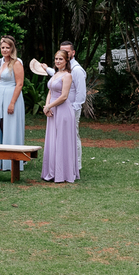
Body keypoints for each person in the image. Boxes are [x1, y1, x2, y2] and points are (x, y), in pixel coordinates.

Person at [0, 35, 26, 172]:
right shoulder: (0, 64)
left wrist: (12, 102)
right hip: (0, 96)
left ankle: (12, 161)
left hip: (11, 96)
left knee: (11, 126)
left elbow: (19, 84)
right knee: (0, 125)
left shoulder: (17, 63)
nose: (5, 50)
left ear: (12, 48)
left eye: (7, 47)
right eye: (3, 47)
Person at [41, 50, 78, 183]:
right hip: (52, 110)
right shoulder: (56, 74)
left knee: (62, 140)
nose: (57, 61)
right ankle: (52, 171)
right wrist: (47, 106)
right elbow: (50, 92)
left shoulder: (67, 75)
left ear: (66, 60)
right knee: (53, 140)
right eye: (56, 59)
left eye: (60, 59)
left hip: (63, 111)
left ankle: (64, 173)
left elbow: (64, 96)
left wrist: (49, 106)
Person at [53, 40, 86, 169]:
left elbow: (81, 93)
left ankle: (76, 165)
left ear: (73, 52)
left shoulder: (77, 70)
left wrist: (74, 108)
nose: (64, 53)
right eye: (62, 51)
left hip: (72, 108)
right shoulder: (62, 69)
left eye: (67, 51)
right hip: (62, 108)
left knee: (73, 134)